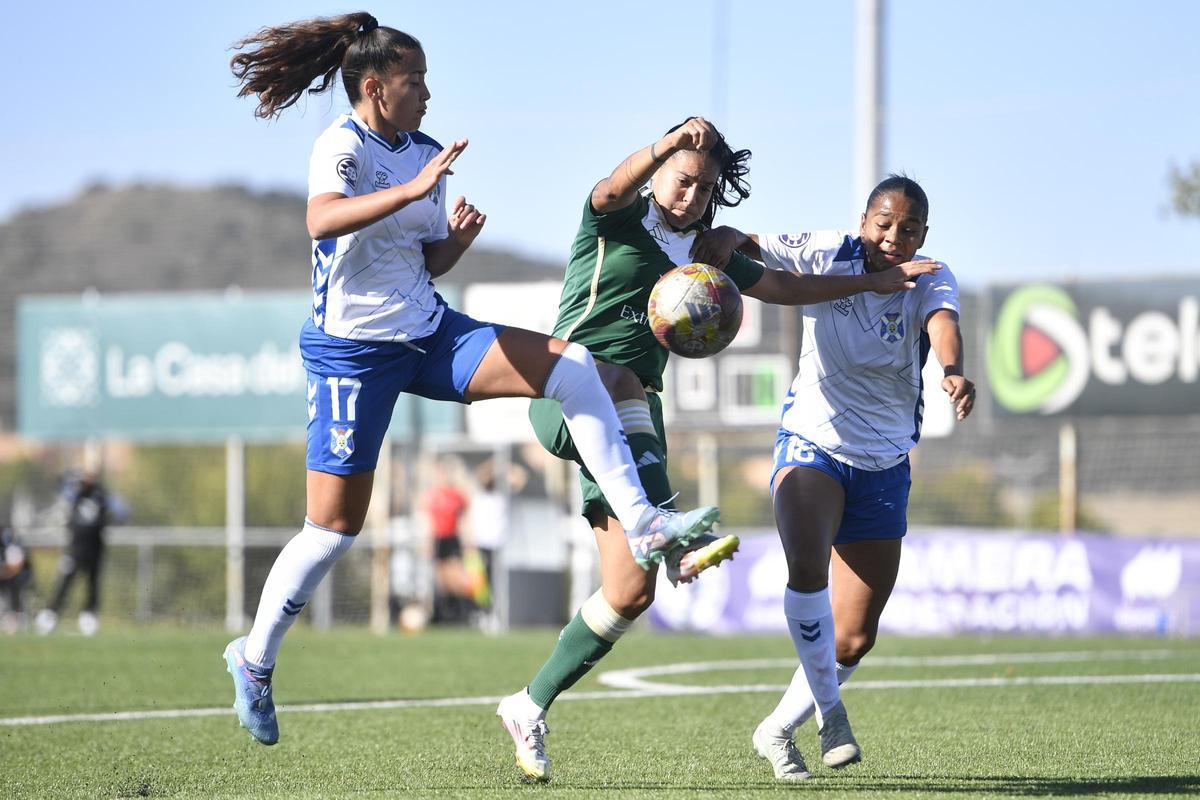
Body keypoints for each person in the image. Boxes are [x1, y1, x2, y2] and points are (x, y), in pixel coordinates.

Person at [222, 12, 722, 747]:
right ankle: (256, 660)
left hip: (426, 332)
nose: (427, 93)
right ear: (374, 87)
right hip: (351, 351)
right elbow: (322, 222)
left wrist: (451, 243)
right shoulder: (343, 146)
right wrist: (412, 189)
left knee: (573, 367)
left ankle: (645, 521)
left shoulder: (428, 153)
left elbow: (418, 266)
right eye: (414, 80)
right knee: (331, 530)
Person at [495, 120, 944, 782]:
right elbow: (610, 184)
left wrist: (866, 284)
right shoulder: (616, 219)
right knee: (614, 376)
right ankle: (668, 537)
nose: (691, 196)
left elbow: (784, 288)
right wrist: (663, 141)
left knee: (628, 593)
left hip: (634, 419)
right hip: (567, 386)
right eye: (681, 180)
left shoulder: (705, 252)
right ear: (656, 176)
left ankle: (527, 705)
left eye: (705, 187)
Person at [697, 174, 974, 780]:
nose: (893, 236)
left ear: (924, 235)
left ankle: (776, 728)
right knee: (806, 566)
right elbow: (755, 250)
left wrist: (952, 370)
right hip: (812, 444)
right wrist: (723, 238)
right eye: (883, 222)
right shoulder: (826, 250)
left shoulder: (931, 275)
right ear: (864, 220)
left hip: (884, 463)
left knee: (853, 639)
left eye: (908, 228)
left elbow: (942, 324)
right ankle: (832, 716)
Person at [35, 468, 123, 636]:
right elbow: (61, 487)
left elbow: (121, 512)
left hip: (95, 550)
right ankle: (50, 615)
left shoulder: (103, 497)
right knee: (65, 584)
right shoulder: (75, 493)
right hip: (75, 549)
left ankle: (89, 617)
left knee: (92, 585)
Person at [421, 459, 472, 624]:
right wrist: (427, 542)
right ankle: (444, 611)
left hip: (452, 538)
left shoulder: (458, 496)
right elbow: (428, 521)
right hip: (439, 539)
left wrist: (467, 541)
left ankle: (461, 611)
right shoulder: (432, 495)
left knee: (455, 575)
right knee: (441, 577)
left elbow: (464, 520)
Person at [0, 523, 32, 634]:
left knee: (15, 592)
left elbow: (15, 567)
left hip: (15, 579)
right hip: (6, 578)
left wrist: (6, 572)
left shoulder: (13, 546)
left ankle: (14, 618)